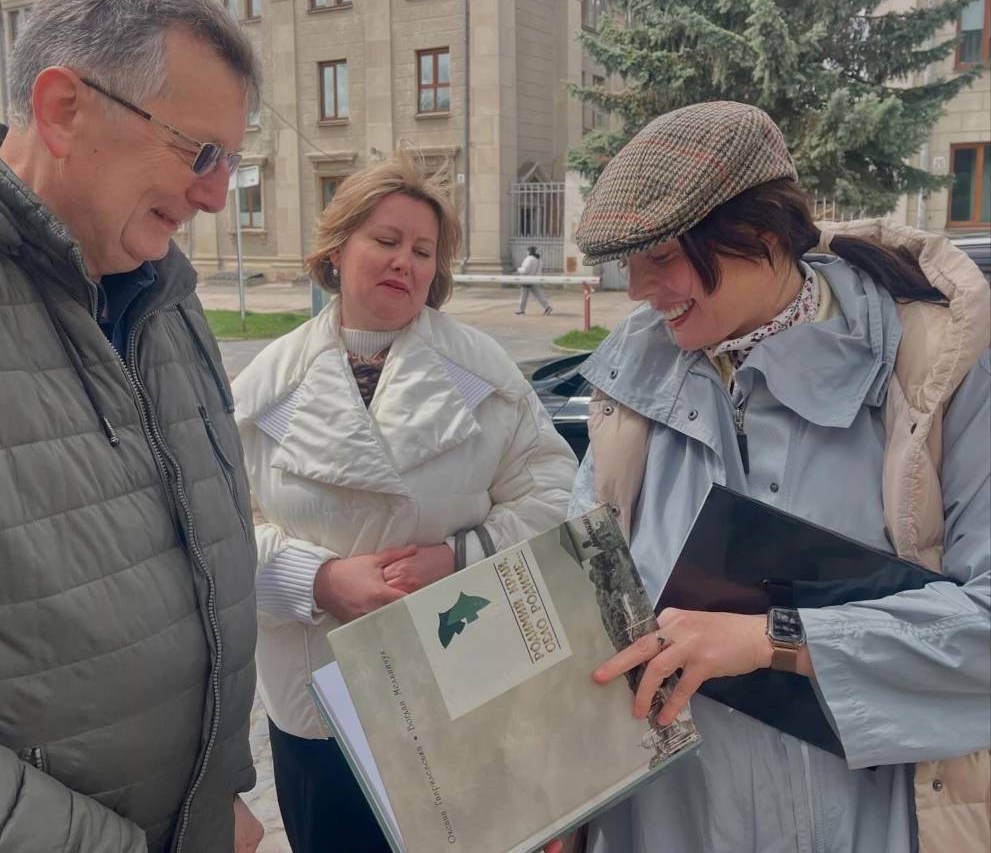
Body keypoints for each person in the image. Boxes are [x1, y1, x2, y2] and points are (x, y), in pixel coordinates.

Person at [563, 101, 990, 853]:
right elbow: (572, 604)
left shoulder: (937, 375)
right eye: (627, 263)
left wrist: (777, 639)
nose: (637, 290)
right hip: (668, 826)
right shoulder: (628, 388)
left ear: (760, 235)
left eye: (660, 257)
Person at [233, 153, 578, 853]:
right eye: (386, 240)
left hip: (462, 691)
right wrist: (320, 580)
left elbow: (555, 493)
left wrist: (459, 557)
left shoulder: (481, 372)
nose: (405, 262)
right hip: (320, 707)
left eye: (423, 251)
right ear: (337, 250)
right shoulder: (266, 386)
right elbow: (224, 529)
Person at [0, 0, 263, 852]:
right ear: (63, 110)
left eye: (230, 160)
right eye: (199, 151)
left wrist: (217, 793)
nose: (216, 195)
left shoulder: (163, 295)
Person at [516, 244, 553, 315]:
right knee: (539, 295)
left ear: (529, 251)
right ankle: (547, 307)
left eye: (527, 250)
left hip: (526, 280)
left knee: (523, 296)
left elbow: (525, 270)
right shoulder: (539, 260)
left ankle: (521, 310)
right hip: (535, 280)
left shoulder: (529, 259)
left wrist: (518, 269)